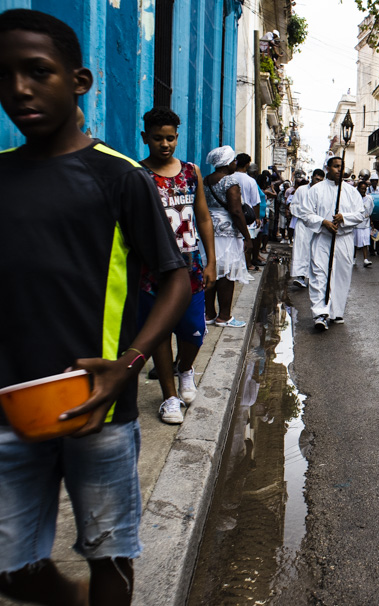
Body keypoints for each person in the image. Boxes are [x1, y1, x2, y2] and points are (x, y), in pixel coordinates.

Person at [0, 10, 191, 604]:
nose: (19, 89)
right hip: (11, 409)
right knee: (13, 569)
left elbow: (175, 278)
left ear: (79, 80)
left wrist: (129, 364)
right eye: (4, 76)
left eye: (38, 72)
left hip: (100, 409)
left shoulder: (119, 178)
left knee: (110, 558)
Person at [138, 107, 217, 424]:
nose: (165, 144)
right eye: (157, 138)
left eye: (170, 138)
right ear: (146, 138)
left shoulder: (190, 172)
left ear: (177, 137)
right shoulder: (138, 174)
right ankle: (169, 398)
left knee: (193, 331)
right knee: (159, 332)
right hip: (153, 271)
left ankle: (185, 368)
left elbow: (203, 217)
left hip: (190, 267)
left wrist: (212, 261)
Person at [296, 157, 365, 330]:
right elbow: (305, 213)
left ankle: (336, 311)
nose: (339, 170)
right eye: (335, 166)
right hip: (323, 238)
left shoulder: (350, 191)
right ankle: (320, 313)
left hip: (344, 240)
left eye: (341, 167)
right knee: (319, 275)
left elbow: (360, 214)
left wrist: (344, 218)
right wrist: (323, 222)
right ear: (327, 168)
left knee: (341, 275)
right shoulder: (316, 190)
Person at [202, 146, 253, 327]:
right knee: (227, 275)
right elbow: (236, 210)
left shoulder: (206, 180)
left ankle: (208, 313)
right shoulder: (230, 182)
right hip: (227, 233)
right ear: (226, 163)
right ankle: (224, 316)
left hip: (208, 230)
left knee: (210, 271)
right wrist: (247, 236)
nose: (234, 164)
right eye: (233, 161)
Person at [290, 169, 324, 288]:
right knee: (301, 250)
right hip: (303, 225)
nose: (318, 181)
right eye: (316, 179)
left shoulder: (322, 192)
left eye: (320, 180)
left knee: (315, 251)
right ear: (312, 177)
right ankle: (300, 276)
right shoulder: (301, 190)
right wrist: (305, 214)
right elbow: (293, 206)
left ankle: (314, 278)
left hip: (316, 226)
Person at [233, 152, 263, 270]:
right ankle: (247, 264)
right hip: (248, 215)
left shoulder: (230, 177)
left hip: (232, 213)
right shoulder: (250, 181)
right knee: (247, 241)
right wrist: (256, 217)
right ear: (247, 165)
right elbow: (255, 201)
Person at [353, 179, 374, 268]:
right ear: (358, 189)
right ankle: (353, 258)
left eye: (365, 189)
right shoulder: (354, 198)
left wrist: (371, 221)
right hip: (356, 224)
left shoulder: (369, 198)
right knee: (355, 242)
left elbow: (371, 209)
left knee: (365, 242)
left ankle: (365, 259)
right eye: (361, 188)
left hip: (366, 223)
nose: (363, 190)